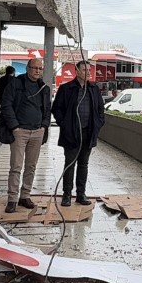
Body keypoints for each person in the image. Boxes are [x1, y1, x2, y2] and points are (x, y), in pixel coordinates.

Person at [0, 57, 51, 213]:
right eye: (34, 68)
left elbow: (47, 109)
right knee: (16, 166)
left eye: (40, 69)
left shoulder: (44, 88)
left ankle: (25, 196)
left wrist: (44, 126)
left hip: (37, 132)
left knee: (31, 166)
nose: (37, 71)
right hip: (19, 131)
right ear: (28, 68)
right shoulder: (15, 84)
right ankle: (12, 199)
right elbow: (6, 104)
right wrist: (14, 126)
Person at [52, 60, 105, 206]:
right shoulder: (66, 89)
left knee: (84, 164)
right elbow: (57, 109)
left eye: (89, 70)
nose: (88, 72)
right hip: (71, 134)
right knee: (70, 164)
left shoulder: (94, 89)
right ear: (77, 71)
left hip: (88, 132)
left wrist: (98, 124)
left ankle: (81, 194)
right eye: (85, 70)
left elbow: (101, 109)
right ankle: (67, 194)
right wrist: (65, 124)